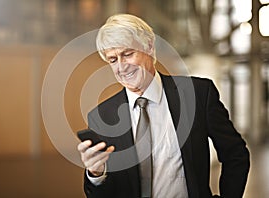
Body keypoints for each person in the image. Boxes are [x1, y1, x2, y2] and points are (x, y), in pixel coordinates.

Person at [77, 14, 250, 198]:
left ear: (150, 47)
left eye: (127, 54)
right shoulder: (102, 116)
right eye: (113, 60)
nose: (121, 67)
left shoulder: (197, 94)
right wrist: (96, 174)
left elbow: (235, 154)